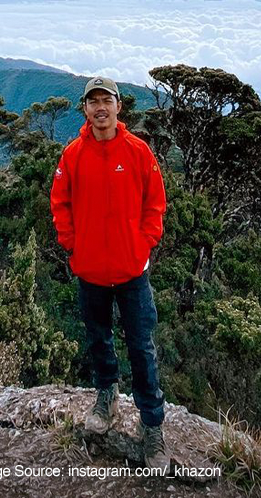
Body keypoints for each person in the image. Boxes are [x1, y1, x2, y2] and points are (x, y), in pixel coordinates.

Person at [49, 76, 169, 472]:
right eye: (93, 102)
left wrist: (145, 243)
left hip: (133, 272)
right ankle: (106, 397)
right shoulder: (72, 155)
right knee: (99, 340)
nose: (100, 108)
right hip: (91, 272)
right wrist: (72, 243)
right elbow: (59, 202)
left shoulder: (138, 152)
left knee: (141, 348)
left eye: (107, 101)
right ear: (85, 109)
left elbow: (156, 202)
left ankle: (152, 427)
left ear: (119, 107)